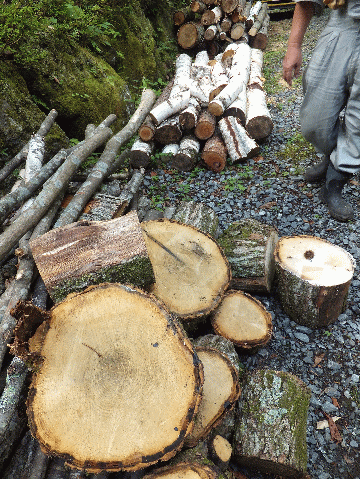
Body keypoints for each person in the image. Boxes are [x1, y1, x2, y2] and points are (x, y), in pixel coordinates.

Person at [282, 0, 360, 222]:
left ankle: (335, 178)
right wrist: (293, 46)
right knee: (315, 119)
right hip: (341, 25)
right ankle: (333, 153)